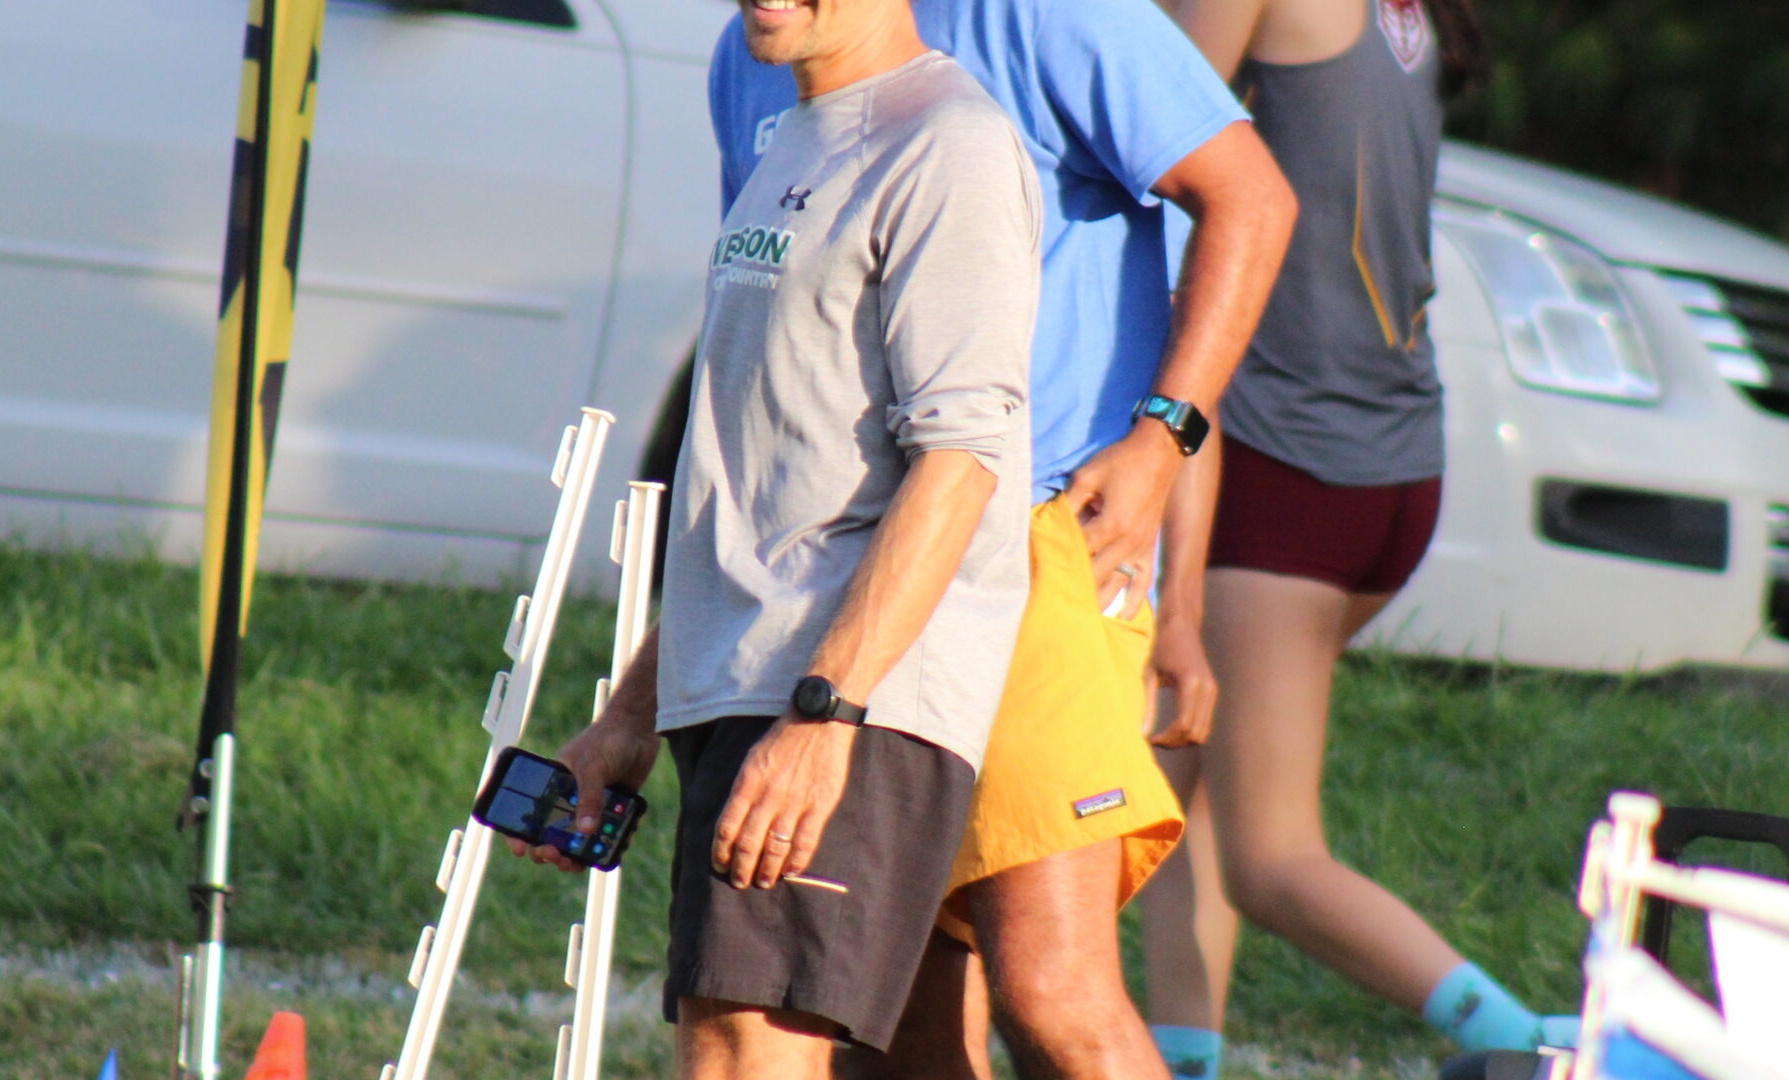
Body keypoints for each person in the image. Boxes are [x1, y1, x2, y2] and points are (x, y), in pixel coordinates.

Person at [709, 2, 1295, 1077]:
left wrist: (1164, 438)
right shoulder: (758, 48)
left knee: (1051, 987)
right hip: (852, 579)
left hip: (1035, 541)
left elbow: (1252, 197)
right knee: (886, 1015)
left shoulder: (1049, 15)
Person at [510, 0, 1045, 1076]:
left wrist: (827, 714)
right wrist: (630, 714)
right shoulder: (796, 134)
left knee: (744, 1048)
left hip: (842, 698)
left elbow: (960, 463)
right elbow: (759, 489)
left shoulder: (952, 144)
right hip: (757, 685)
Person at [1138, 1, 1574, 1075]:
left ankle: (1534, 1047)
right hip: (1389, 468)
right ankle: (1181, 1058)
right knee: (1175, 783)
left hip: (1290, 469)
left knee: (1271, 857)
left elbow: (1140, 139)